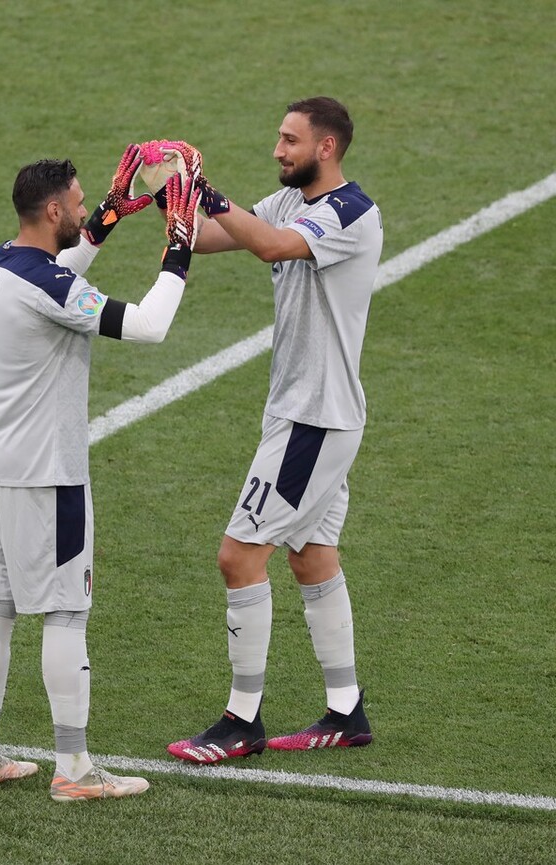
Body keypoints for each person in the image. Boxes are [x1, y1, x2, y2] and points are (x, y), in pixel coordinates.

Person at [0, 145, 201, 801]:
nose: (82, 205)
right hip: (47, 471)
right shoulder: (51, 286)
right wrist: (179, 242)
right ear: (50, 208)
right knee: (66, 612)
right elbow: (149, 326)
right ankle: (74, 768)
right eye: (76, 200)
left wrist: (104, 220)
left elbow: (55, 273)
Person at [166, 97, 383, 763]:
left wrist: (204, 185)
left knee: (239, 555)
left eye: (289, 141)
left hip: (313, 419)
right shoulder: (289, 200)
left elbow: (272, 248)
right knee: (311, 556)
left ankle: (242, 720)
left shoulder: (350, 212)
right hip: (307, 411)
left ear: (326, 147)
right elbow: (209, 235)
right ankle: (346, 711)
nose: (277, 150)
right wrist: (164, 192)